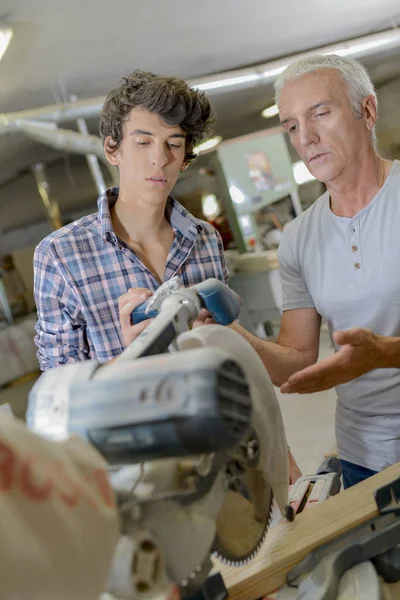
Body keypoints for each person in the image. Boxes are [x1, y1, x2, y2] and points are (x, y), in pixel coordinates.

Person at [231, 54, 400, 488]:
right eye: (291, 126)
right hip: (367, 456)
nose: (306, 137)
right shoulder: (298, 237)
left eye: (320, 113)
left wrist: (385, 353)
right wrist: (233, 335)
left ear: (367, 111)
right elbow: (296, 360)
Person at [33, 70, 228, 369]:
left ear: (186, 157)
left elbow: (230, 342)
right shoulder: (60, 255)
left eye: (173, 145)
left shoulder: (206, 240)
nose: (160, 159)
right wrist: (130, 360)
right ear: (113, 150)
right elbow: (59, 386)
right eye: (143, 142)